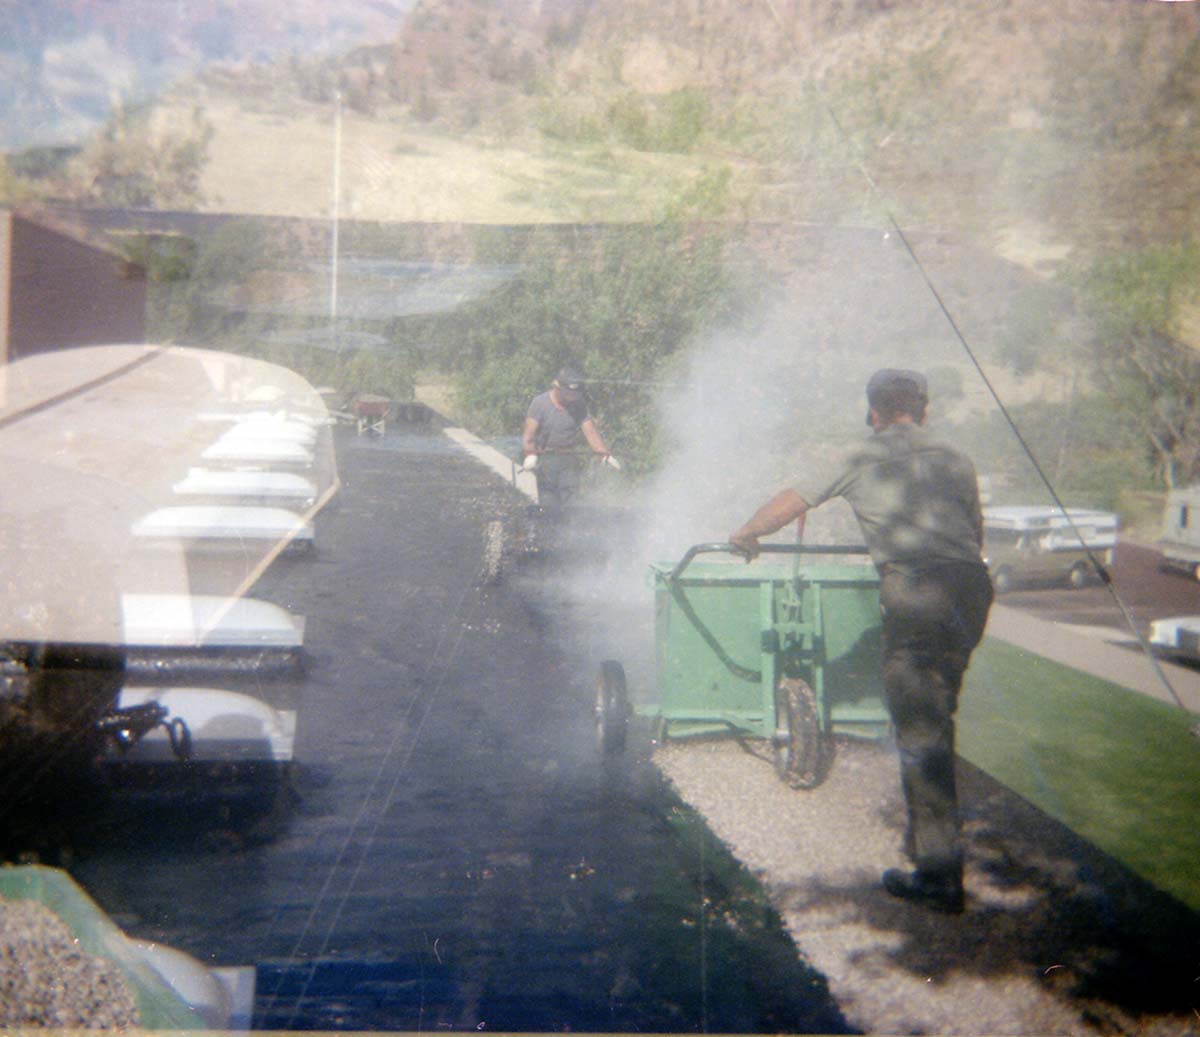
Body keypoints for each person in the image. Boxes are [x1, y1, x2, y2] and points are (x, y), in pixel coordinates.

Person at [729, 368, 993, 915]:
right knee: (938, 713)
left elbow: (793, 501)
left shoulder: (858, 454)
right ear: (921, 410)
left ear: (873, 412)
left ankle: (940, 876)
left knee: (921, 731)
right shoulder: (956, 458)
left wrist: (747, 533)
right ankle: (938, 844)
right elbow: (975, 533)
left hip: (918, 588)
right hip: (970, 588)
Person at [521, 366, 619, 509]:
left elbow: (590, 431)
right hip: (546, 459)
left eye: (575, 394)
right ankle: (551, 528)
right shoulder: (540, 403)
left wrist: (604, 454)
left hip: (569, 457)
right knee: (549, 502)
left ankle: (569, 530)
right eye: (568, 393)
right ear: (557, 387)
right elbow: (529, 434)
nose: (572, 397)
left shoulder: (579, 405)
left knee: (571, 501)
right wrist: (530, 454)